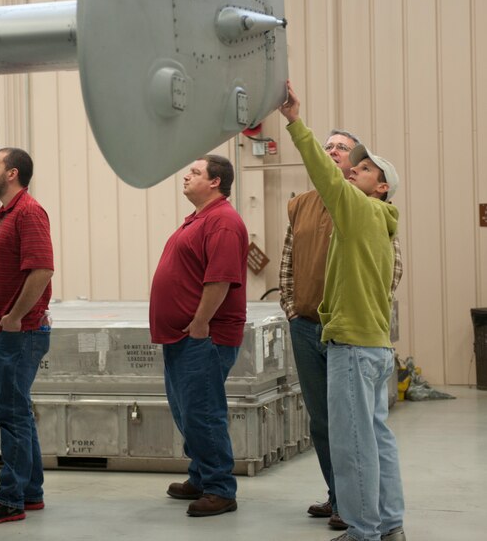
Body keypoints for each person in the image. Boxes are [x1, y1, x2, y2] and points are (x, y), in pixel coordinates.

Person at [279, 81, 406, 541]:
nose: (352, 169)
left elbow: (325, 174)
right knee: (377, 440)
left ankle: (362, 531)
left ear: (382, 186)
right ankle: (390, 524)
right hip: (372, 346)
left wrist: (295, 122)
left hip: (350, 348)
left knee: (352, 444)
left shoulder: (357, 210)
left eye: (364, 166)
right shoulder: (381, 224)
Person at [149, 154, 249, 518]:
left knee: (203, 413)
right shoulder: (201, 219)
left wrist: (201, 323)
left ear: (215, 182)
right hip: (184, 336)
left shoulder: (222, 221)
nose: (186, 176)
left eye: (195, 172)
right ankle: (202, 475)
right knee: (187, 411)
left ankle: (221, 488)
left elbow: (220, 279)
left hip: (204, 336)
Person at [0, 148, 54, 526]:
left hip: (19, 332)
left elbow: (42, 270)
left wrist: (16, 316)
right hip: (5, 331)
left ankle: (10, 498)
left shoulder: (28, 213)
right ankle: (29, 491)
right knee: (17, 411)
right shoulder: (8, 214)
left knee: (11, 414)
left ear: (12, 173)